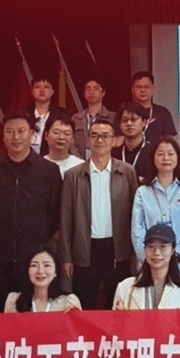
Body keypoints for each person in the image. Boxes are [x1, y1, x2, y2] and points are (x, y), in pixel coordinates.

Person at [0, 110, 62, 308]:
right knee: (0, 314)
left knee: (34, 314)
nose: (15, 137)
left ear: (32, 134)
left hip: (35, 262)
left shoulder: (48, 171)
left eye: (21, 131)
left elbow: (55, 214)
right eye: (9, 131)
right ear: (3, 135)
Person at [58, 118, 138, 310]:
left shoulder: (127, 172)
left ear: (114, 140)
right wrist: (67, 257)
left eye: (105, 136)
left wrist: (134, 253)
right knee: (84, 306)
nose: (99, 140)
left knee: (119, 307)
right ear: (88, 140)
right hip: (85, 249)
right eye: (94, 136)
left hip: (117, 250)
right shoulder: (73, 175)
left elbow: (135, 216)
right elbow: (65, 220)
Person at [131, 136, 180, 276]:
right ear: (153, 158)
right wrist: (150, 257)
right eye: (160, 154)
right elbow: (137, 231)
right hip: (149, 264)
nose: (166, 158)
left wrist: (176, 254)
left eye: (170, 154)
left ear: (178, 158)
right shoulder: (142, 192)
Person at [114, 223, 180, 309]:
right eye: (151, 246)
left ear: (172, 250)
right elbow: (114, 317)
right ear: (145, 250)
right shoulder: (124, 287)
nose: (156, 252)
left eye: (163, 247)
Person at [4, 245, 82, 312]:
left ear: (56, 270)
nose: (40, 271)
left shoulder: (68, 301)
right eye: (34, 265)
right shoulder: (13, 301)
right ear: (27, 270)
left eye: (46, 265)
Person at [118, 71, 176, 143]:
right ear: (132, 89)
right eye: (139, 87)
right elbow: (118, 139)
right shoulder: (124, 112)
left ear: (153, 89)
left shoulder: (163, 113)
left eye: (146, 87)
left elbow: (169, 141)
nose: (143, 90)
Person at [72, 78, 115, 160]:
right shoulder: (76, 118)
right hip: (80, 162)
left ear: (103, 92)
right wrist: (79, 162)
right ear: (84, 93)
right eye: (88, 89)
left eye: (96, 89)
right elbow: (71, 143)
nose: (91, 92)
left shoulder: (112, 117)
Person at [112, 101, 154, 184]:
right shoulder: (113, 154)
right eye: (125, 120)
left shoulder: (153, 153)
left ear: (144, 122)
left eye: (133, 119)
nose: (129, 124)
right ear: (119, 124)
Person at [42, 111, 84, 177]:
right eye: (56, 132)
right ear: (46, 135)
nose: (61, 137)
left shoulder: (81, 166)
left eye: (66, 133)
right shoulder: (37, 165)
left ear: (73, 139)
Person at [28, 75, 61, 156]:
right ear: (32, 91)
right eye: (37, 87)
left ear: (52, 91)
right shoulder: (25, 115)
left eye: (46, 87)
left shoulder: (61, 115)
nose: (42, 90)